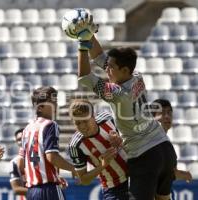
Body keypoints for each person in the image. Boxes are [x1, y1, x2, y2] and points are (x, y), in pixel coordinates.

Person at [71, 11, 177, 200]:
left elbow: (85, 77)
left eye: (111, 67)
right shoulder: (136, 76)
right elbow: (101, 57)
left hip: (145, 157)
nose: (107, 70)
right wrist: (89, 33)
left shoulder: (118, 94)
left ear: (124, 69)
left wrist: (82, 45)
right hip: (165, 149)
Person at [20, 86, 75, 200]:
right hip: (49, 191)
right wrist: (74, 169)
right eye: (52, 102)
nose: (56, 105)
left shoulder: (27, 129)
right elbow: (52, 157)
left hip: (31, 192)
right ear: (39, 107)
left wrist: (54, 175)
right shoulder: (50, 125)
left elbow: (22, 163)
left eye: (56, 101)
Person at [68, 99, 128, 200]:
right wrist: (103, 165)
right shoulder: (75, 145)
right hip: (113, 188)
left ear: (93, 116)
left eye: (85, 121)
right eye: (78, 123)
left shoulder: (109, 119)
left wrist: (121, 140)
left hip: (135, 175)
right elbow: (84, 180)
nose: (82, 127)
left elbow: (135, 137)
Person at [151, 99, 192, 182]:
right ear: (152, 118)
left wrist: (181, 174)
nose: (167, 116)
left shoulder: (165, 141)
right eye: (162, 113)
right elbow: (161, 171)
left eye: (169, 113)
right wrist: (184, 175)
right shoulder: (152, 141)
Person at [10, 128, 27, 200]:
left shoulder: (41, 157)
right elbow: (16, 189)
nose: (21, 141)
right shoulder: (14, 162)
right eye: (19, 139)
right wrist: (37, 192)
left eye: (24, 138)